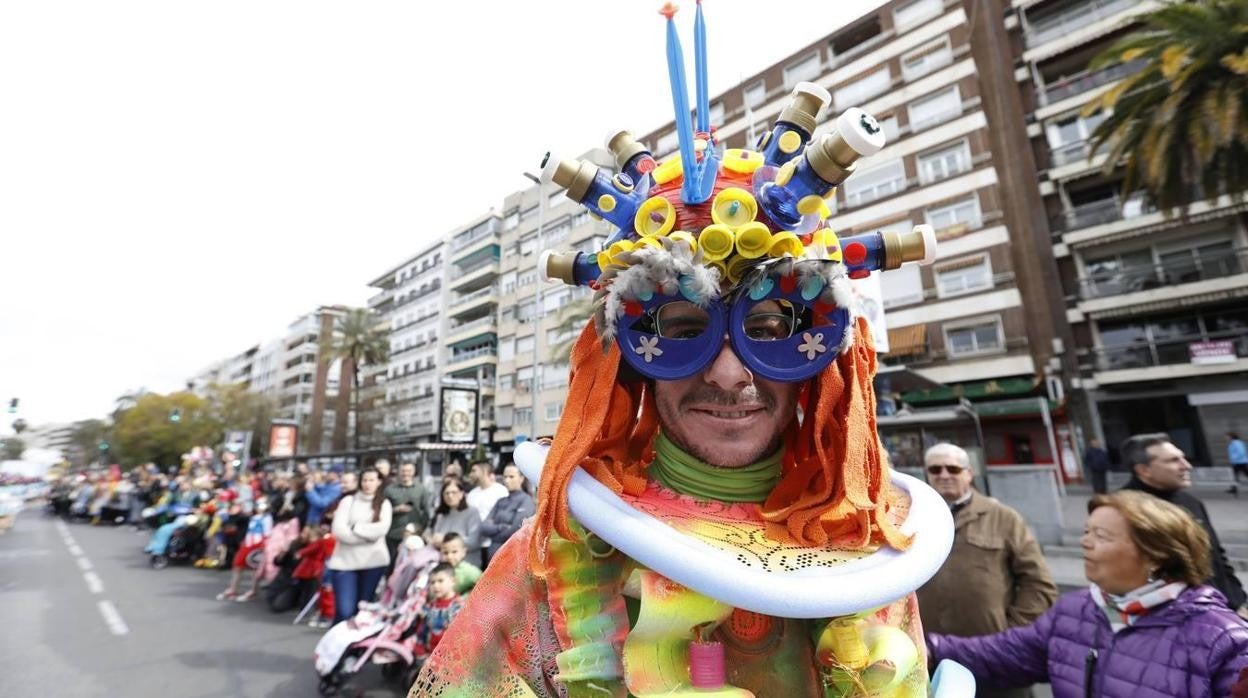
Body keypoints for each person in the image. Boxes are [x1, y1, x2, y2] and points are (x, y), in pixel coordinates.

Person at [411, 9, 956, 692]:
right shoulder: (548, 559)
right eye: (679, 329)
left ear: (830, 355)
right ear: (626, 358)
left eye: (769, 330)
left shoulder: (874, 551)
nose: (729, 374)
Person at [927, 491, 1248, 696]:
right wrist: (925, 647)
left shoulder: (1223, 640)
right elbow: (1002, 655)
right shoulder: (1076, 610)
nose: (1085, 542)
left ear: (1156, 554)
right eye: (1085, 532)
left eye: (1102, 535)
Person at [917, 443, 1058, 698]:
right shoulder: (915, 518)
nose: (944, 475)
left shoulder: (1003, 517)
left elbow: (1038, 583)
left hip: (993, 662)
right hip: (928, 659)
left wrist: (1012, 634)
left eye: (953, 468)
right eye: (935, 469)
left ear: (969, 473)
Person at [1119, 433, 1247, 614]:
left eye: (1183, 458)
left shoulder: (1191, 502)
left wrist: (1238, 600)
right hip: (1172, 619)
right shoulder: (1119, 510)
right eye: (1173, 461)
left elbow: (1216, 557)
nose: (1186, 466)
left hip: (1221, 610)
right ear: (1143, 470)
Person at [326, 467, 392, 624]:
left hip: (373, 562)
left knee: (362, 612)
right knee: (345, 610)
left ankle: (355, 648)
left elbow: (381, 530)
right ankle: (336, 645)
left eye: (371, 480)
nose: (368, 484)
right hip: (345, 562)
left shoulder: (384, 503)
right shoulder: (348, 501)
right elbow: (338, 530)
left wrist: (355, 528)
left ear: (379, 482)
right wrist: (366, 537)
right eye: (365, 480)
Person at [217, 498, 273, 602]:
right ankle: (233, 589)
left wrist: (264, 547)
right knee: (237, 565)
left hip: (258, 545)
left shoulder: (267, 518)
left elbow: (267, 534)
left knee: (254, 568)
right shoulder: (253, 517)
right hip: (247, 543)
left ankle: (253, 591)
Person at [478, 464, 536, 564]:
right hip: (492, 557)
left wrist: (494, 534)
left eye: (511, 477)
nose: (507, 480)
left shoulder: (526, 501)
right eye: (505, 477)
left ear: (521, 478)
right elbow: (483, 527)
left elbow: (516, 530)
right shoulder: (500, 501)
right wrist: (501, 527)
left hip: (512, 557)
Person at [413, 563, 466, 660]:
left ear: (453, 581)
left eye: (440, 581)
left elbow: (461, 637)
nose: (436, 586)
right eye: (432, 582)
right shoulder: (429, 607)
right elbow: (422, 630)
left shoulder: (459, 607)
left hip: (451, 658)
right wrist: (420, 650)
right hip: (430, 656)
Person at [384, 462, 429, 572]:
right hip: (394, 534)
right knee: (392, 567)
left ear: (413, 472)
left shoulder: (421, 489)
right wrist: (396, 509)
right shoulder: (389, 490)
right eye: (403, 471)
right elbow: (382, 511)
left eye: (408, 471)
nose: (406, 474)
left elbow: (426, 511)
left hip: (414, 536)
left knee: (413, 567)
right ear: (399, 472)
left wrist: (422, 529)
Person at [428, 479, 482, 568]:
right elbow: (435, 537)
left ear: (461, 494)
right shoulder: (441, 515)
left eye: (454, 492)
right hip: (443, 561)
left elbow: (473, 542)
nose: (450, 496)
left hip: (466, 563)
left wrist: (446, 539)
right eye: (447, 493)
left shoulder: (472, 512)